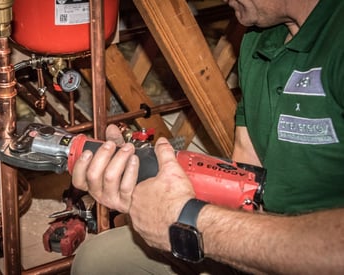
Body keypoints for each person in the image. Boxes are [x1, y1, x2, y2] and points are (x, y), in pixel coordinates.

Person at [70, 0, 344, 273]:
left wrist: (193, 221)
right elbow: (244, 179)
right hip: (259, 235)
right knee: (100, 259)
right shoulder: (259, 37)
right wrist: (147, 179)